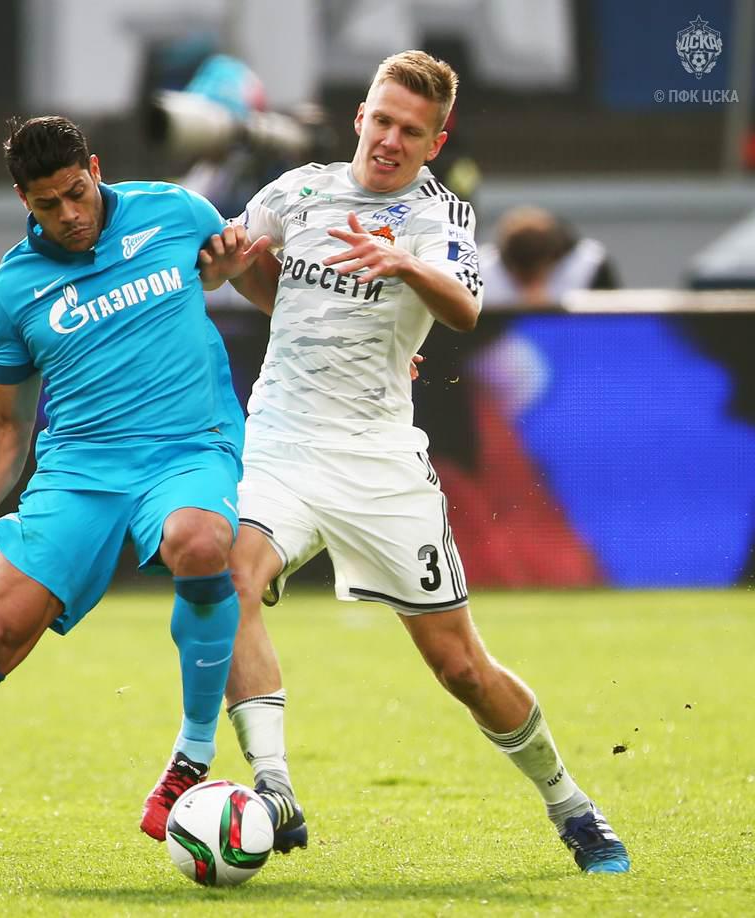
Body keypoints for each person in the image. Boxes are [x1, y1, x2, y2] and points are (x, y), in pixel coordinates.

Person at [197, 50, 631, 873]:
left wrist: (404, 264)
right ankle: (275, 784)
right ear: (361, 117)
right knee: (229, 579)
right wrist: (224, 268)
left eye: (412, 130)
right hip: (281, 443)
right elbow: (256, 277)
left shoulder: (439, 216)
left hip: (379, 463)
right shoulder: (296, 192)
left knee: (460, 666)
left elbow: (465, 308)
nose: (392, 140)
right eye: (383, 120)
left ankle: (571, 804)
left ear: (436, 143)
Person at [0, 115, 268, 883]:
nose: (70, 214)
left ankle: (191, 757)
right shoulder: (11, 289)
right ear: (23, 201)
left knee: (201, 542)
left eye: (77, 192)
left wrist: (234, 272)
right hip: (79, 473)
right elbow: (7, 422)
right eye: (48, 204)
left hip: (187, 448)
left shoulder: (175, 211)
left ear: (94, 168)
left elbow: (254, 284)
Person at [479, 205, 618, 308]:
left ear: (553, 259)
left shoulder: (590, 264)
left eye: (535, 275)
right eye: (523, 277)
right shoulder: (480, 268)